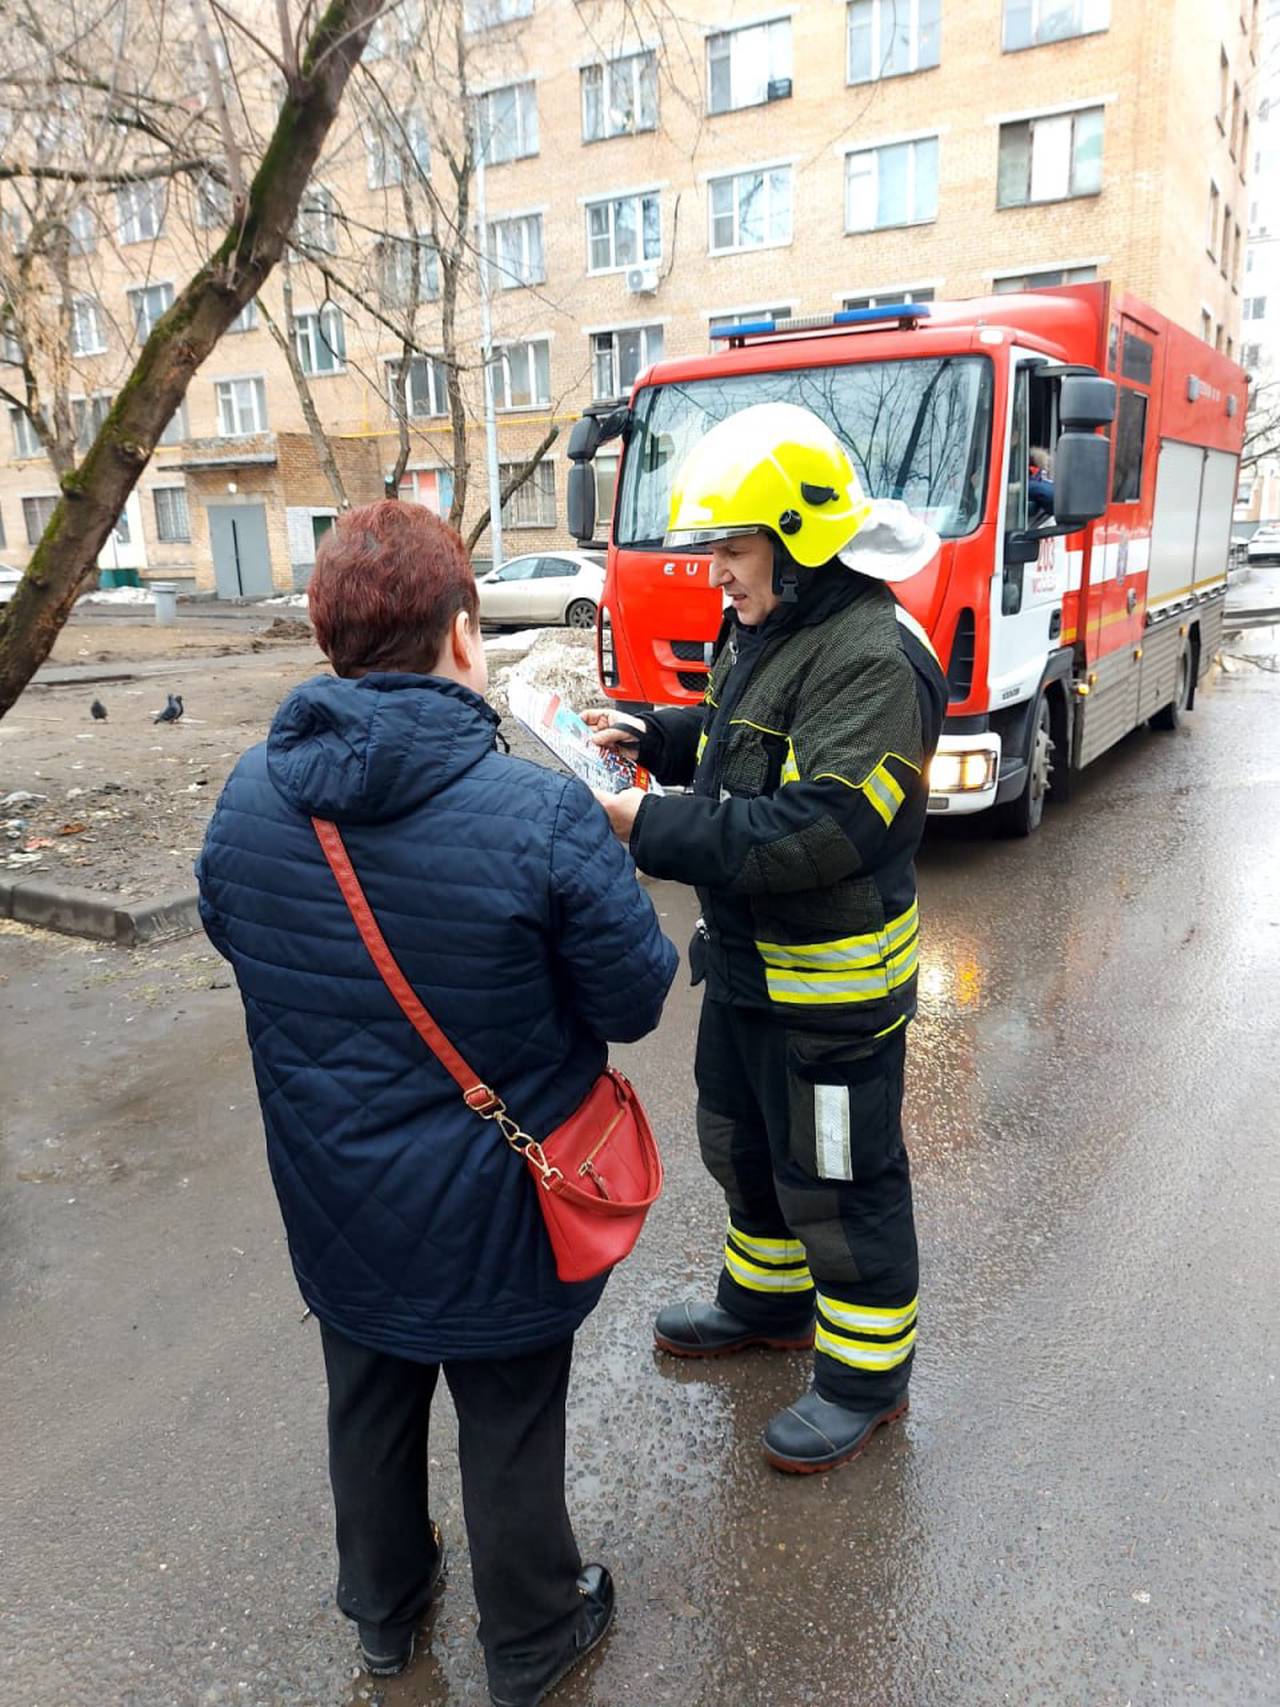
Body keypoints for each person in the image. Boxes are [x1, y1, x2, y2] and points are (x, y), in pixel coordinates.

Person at [196, 501, 678, 1705]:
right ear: (465, 633)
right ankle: (528, 1639)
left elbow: (235, 932)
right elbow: (634, 998)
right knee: (508, 1412)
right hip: (500, 1199)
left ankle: (383, 1612)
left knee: (366, 1395)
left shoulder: (252, 795)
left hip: (331, 1184)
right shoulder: (537, 813)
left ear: (327, 639)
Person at [589, 402, 947, 1476]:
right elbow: (749, 747)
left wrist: (649, 824)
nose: (716, 576)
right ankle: (766, 1305)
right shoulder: (769, 629)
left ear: (796, 543)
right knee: (740, 1150)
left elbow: (825, 826)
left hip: (829, 994)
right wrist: (651, 733)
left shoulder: (873, 655)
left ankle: (862, 1378)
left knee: (838, 1184)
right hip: (748, 972)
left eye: (731, 552)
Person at [1028, 445, 1055, 519]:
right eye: (1047, 464)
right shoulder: (1030, 477)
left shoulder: (1038, 476)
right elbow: (1048, 493)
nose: (1048, 468)